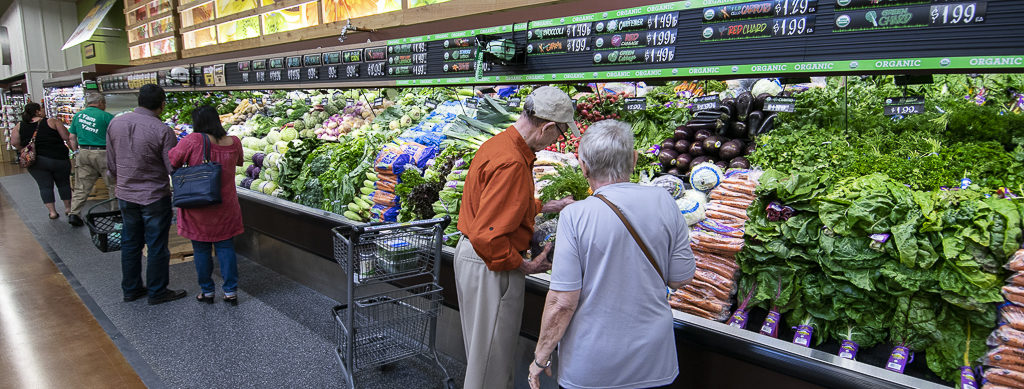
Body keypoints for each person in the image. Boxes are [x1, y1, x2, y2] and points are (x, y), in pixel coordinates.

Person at [526, 120, 696, 389]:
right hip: (654, 363)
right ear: (634, 159)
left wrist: (541, 358)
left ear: (583, 167)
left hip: (591, 366)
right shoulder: (665, 201)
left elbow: (562, 302)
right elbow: (680, 278)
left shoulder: (575, 215)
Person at [455, 86, 577, 389]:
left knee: (484, 357)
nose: (557, 141)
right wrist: (524, 266)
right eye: (559, 134)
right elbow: (489, 236)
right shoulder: (512, 162)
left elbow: (503, 206)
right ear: (548, 127)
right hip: (490, 265)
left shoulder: (499, 144)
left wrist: (550, 206)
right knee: (490, 369)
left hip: (473, 258)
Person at [107, 84, 186, 305]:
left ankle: (131, 289)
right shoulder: (162, 130)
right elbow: (172, 167)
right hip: (154, 196)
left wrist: (123, 180)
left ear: (139, 100)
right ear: (162, 105)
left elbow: (111, 164)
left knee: (130, 242)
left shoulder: (116, 123)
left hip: (125, 194)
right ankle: (157, 291)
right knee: (156, 244)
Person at [169, 106, 244, 305]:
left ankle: (207, 291)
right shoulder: (234, 141)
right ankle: (230, 292)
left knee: (201, 249)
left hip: (198, 204)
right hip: (226, 205)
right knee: (226, 247)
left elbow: (173, 160)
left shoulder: (192, 140)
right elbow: (239, 162)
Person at [10, 102, 74, 219]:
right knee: (63, 184)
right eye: (42, 109)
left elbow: (14, 142)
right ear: (37, 111)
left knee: (45, 186)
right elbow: (66, 136)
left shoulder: (19, 126)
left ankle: (52, 212)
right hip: (59, 158)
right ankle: (68, 209)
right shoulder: (52, 122)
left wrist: (24, 149)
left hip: (37, 162)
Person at [67, 92, 116, 227]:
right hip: (103, 153)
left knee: (81, 186)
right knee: (112, 185)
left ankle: (74, 214)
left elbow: (72, 137)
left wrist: (76, 151)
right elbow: (116, 136)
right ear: (100, 102)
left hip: (83, 152)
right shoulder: (106, 116)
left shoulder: (78, 116)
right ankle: (115, 213)